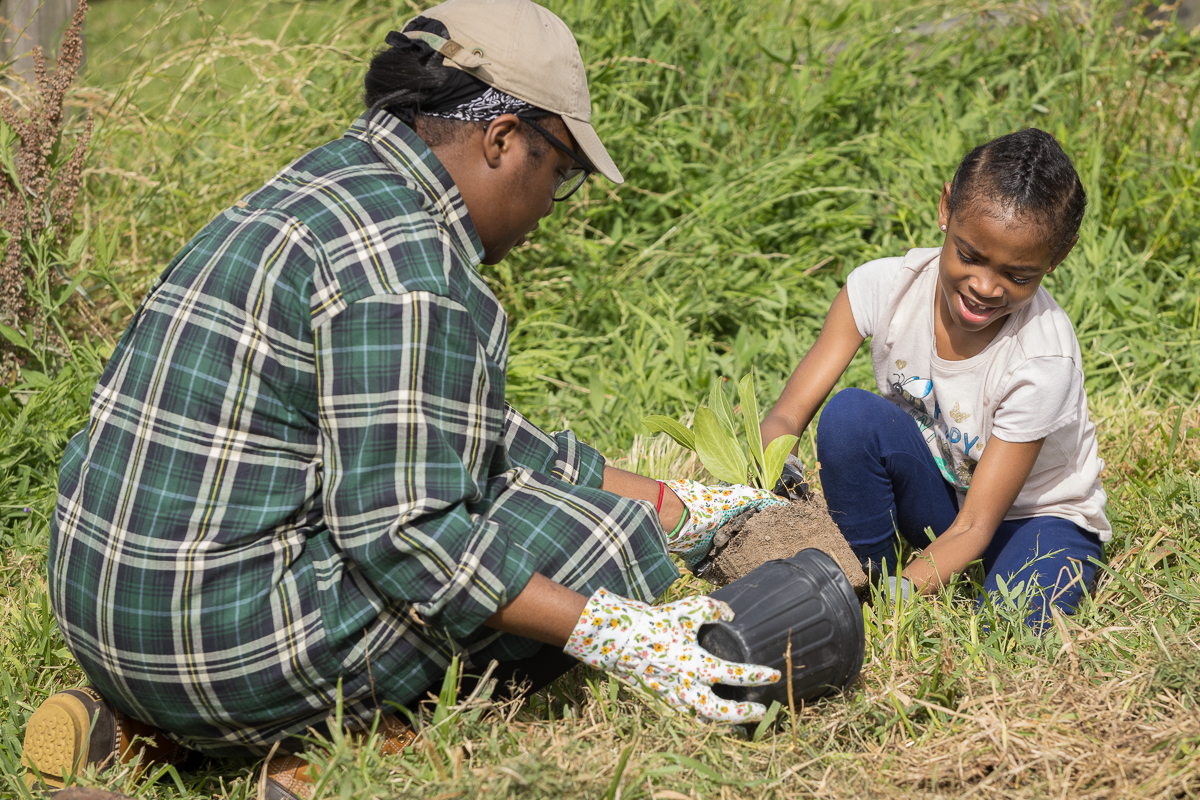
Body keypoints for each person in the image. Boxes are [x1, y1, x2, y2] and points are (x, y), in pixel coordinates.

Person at [21, 1, 784, 796]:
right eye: (558, 174)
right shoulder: (408, 269)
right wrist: (617, 630)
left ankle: (144, 728)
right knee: (594, 542)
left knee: (557, 508)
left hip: (108, 605)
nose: (551, 208)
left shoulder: (335, 183)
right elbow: (408, 536)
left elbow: (477, 438)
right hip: (213, 634)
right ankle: (343, 749)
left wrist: (683, 502)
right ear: (502, 139)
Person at [759, 128, 1109, 629]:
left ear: (1059, 256)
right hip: (944, 496)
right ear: (946, 207)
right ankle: (862, 572)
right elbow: (787, 415)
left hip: (1034, 519)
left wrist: (892, 607)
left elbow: (976, 525)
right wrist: (770, 471)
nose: (985, 287)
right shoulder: (882, 288)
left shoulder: (1041, 362)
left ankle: (889, 596)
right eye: (969, 255)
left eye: (1018, 276)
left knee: (1012, 626)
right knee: (850, 416)